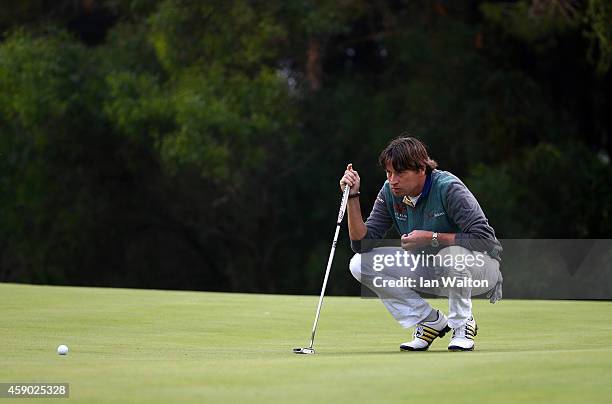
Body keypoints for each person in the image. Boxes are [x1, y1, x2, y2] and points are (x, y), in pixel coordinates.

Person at [340, 136, 503, 351]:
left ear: (421, 169)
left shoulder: (448, 188)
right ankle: (429, 320)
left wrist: (431, 237)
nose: (392, 180)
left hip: (481, 270)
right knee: (360, 263)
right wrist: (352, 196)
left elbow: (486, 240)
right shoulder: (390, 192)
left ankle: (463, 324)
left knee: (451, 256)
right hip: (431, 270)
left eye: (399, 173)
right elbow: (361, 245)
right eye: (389, 173)